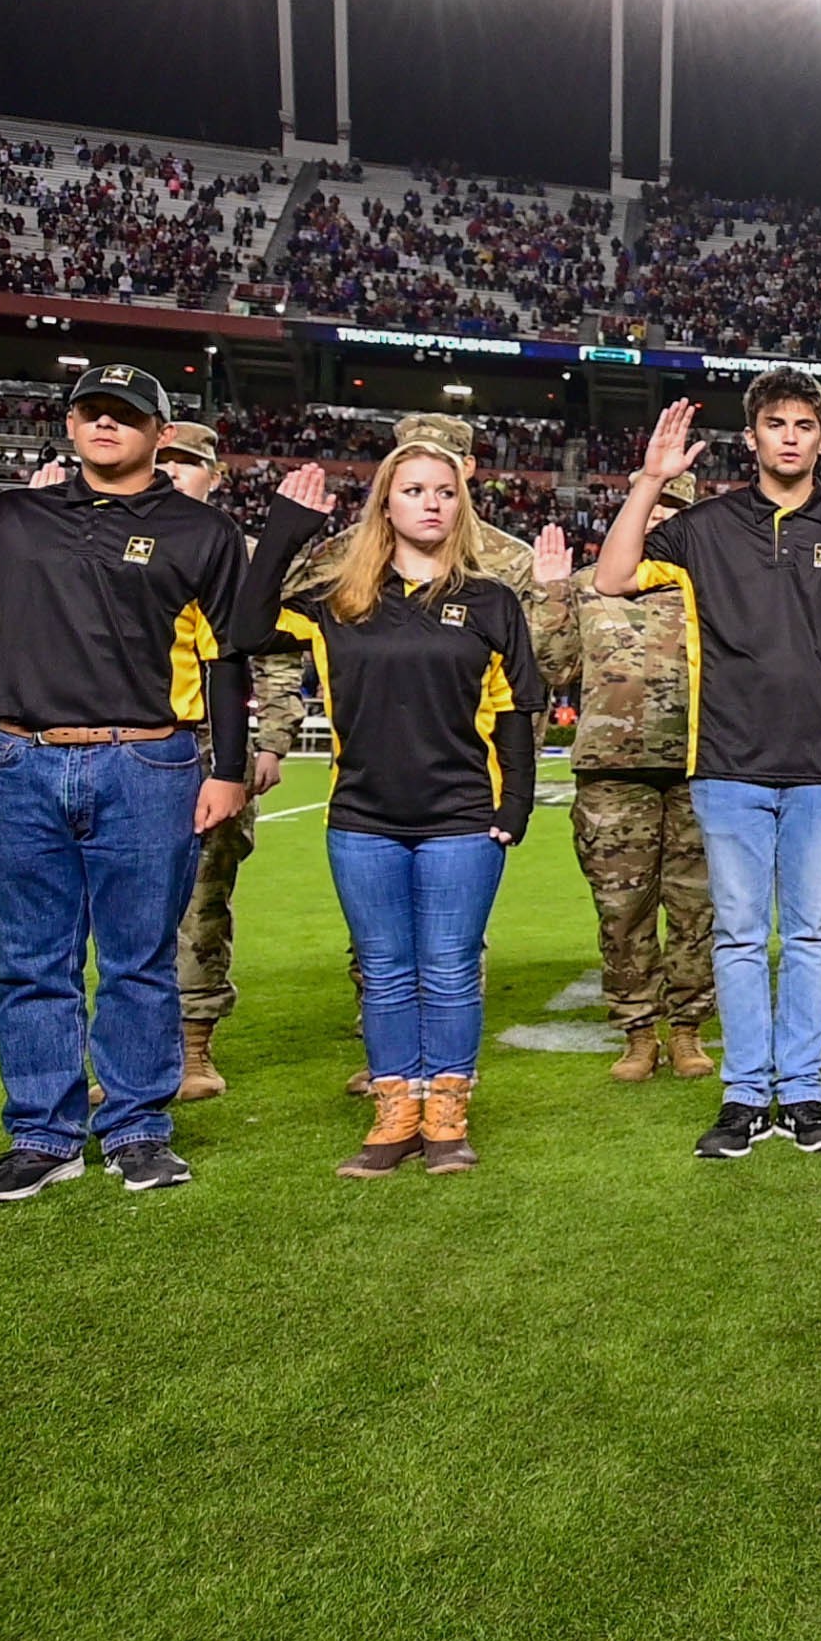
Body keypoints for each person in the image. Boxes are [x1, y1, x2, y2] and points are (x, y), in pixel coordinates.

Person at [0, 364, 250, 1203]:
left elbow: (227, 657)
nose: (106, 424)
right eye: (92, 410)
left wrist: (230, 768)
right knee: (30, 960)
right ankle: (42, 1135)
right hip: (21, 756)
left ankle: (136, 1129)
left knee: (138, 960)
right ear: (68, 422)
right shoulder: (12, 518)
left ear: (159, 433)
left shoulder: (200, 531)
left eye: (126, 414)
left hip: (149, 759)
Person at [594, 382, 821, 1163]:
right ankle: (743, 1094)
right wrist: (650, 481)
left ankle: (802, 1091)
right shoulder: (704, 527)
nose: (788, 438)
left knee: (812, 933)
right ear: (751, 438)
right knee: (738, 934)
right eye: (773, 425)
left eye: (802, 426)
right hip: (728, 762)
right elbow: (612, 577)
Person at [236, 451, 546, 1176]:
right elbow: (246, 629)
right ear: (386, 505)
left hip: (462, 818)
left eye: (445, 492)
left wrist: (517, 802)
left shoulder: (493, 600)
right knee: (383, 971)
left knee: (448, 970)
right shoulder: (342, 599)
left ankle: (445, 1114)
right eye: (413, 491)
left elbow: (516, 707)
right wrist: (286, 529)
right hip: (363, 819)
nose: (431, 503)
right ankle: (394, 1109)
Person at [152, 420, 302, 1104]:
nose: (173, 470)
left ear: (213, 476)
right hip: (125, 743)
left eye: (187, 462)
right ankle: (131, 1051)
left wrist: (271, 740)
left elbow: (274, 652)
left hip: (216, 750)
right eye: (163, 458)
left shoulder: (239, 553)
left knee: (203, 900)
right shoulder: (97, 533)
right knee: (122, 907)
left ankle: (192, 1047)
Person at [571, 470, 718, 1083]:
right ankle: (638, 1031)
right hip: (612, 773)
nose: (659, 520)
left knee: (696, 907)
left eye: (673, 512)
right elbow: (549, 664)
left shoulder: (712, 585)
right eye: (651, 509)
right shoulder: (588, 585)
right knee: (622, 909)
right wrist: (550, 591)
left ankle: (686, 1031)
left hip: (699, 765)